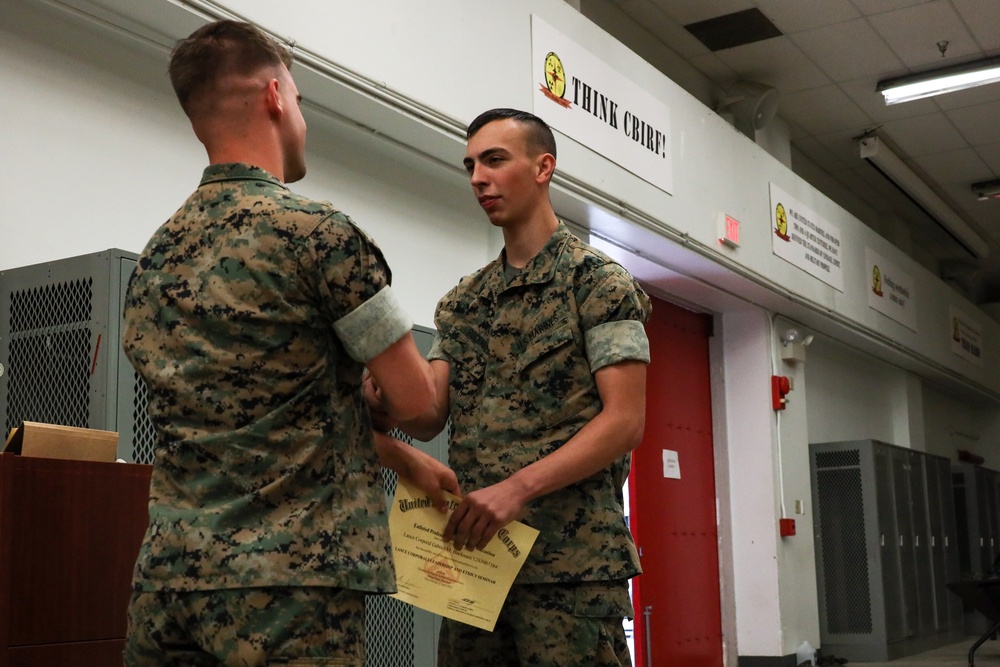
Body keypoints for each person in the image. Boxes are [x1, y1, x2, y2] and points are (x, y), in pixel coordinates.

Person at [121, 20, 456, 667]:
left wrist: (395, 455)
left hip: (168, 584)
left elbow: (247, 417)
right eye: (300, 100)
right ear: (276, 96)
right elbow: (417, 401)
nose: (302, 116)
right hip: (287, 592)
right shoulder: (320, 234)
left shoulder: (155, 258)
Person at [395, 108, 652, 667]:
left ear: (543, 168)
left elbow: (625, 420)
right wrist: (382, 387)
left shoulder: (599, 284)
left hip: (570, 570)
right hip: (476, 560)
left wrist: (516, 488)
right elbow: (430, 415)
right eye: (470, 166)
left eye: (494, 160)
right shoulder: (465, 301)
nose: (477, 179)